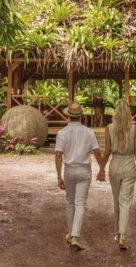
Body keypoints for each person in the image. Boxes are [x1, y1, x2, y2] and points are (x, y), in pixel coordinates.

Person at [55, 101, 104, 251]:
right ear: (81, 116)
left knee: (70, 202)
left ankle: (71, 234)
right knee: (80, 203)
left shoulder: (62, 133)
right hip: (84, 171)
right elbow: (96, 152)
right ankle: (75, 236)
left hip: (69, 170)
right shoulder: (89, 132)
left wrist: (58, 176)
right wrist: (102, 169)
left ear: (68, 117)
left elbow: (58, 155)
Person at [97, 99, 136, 250]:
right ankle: (122, 234)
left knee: (117, 200)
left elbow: (107, 151)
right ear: (129, 111)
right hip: (129, 164)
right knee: (125, 201)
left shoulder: (109, 128)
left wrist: (101, 169)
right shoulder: (135, 128)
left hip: (115, 164)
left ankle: (119, 233)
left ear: (115, 112)